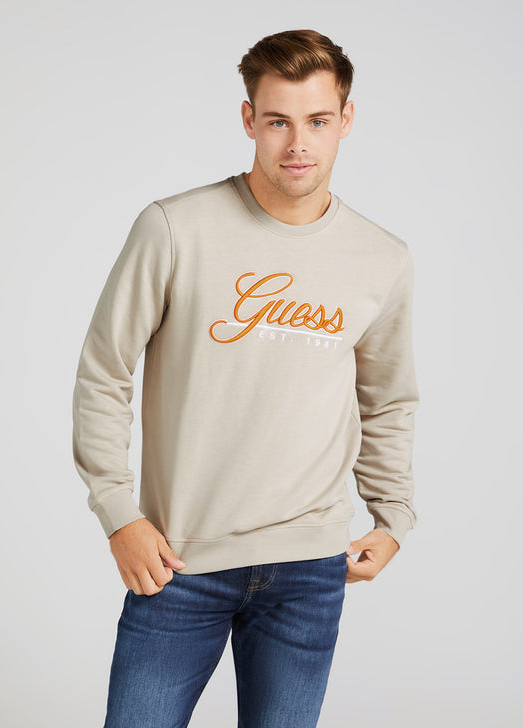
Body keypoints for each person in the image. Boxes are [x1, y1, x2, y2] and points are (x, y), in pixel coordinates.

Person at [72, 28, 419, 728]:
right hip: (179, 561)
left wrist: (394, 516)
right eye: (278, 121)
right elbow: (104, 370)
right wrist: (118, 513)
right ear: (248, 119)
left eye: (317, 120)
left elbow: (387, 400)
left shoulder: (381, 258)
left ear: (345, 120)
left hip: (310, 569)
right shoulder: (175, 228)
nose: (298, 143)